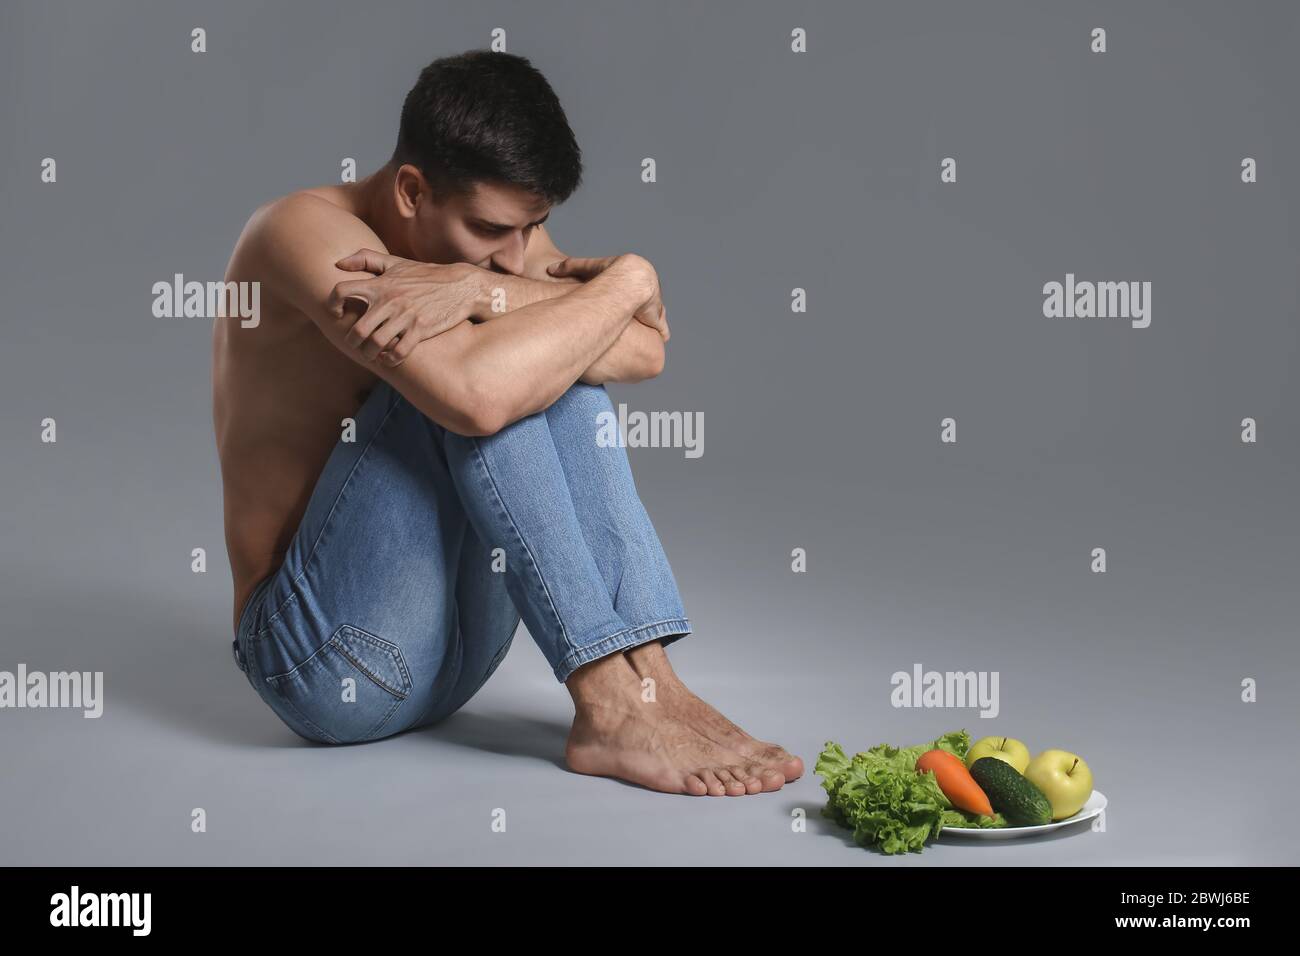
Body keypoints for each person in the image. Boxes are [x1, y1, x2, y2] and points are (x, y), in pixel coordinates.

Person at [213, 49, 802, 796]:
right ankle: (607, 701)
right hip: (322, 661)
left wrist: (476, 288)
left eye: (535, 229)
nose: (515, 255)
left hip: (458, 658)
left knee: (555, 360)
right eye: (490, 231)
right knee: (498, 376)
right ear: (411, 189)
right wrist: (629, 279)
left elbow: (645, 349)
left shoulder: (497, 246)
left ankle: (648, 678)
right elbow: (478, 400)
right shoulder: (299, 232)